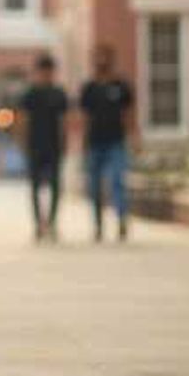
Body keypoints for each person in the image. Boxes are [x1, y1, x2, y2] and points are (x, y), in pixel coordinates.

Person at [79, 43, 134, 243]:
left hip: (116, 142)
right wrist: (83, 143)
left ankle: (121, 221)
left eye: (105, 56)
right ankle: (98, 225)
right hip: (95, 143)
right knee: (95, 187)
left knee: (118, 182)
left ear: (111, 59)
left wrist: (133, 137)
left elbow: (128, 114)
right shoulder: (89, 88)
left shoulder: (121, 86)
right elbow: (84, 117)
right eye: (98, 56)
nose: (101, 60)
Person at [16, 53, 68, 241]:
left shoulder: (59, 93)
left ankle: (52, 223)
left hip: (54, 146)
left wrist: (65, 142)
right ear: (38, 72)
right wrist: (22, 143)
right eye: (43, 71)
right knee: (35, 187)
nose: (46, 75)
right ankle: (39, 224)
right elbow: (22, 119)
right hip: (35, 146)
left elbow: (64, 120)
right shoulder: (30, 94)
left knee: (55, 186)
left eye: (48, 71)